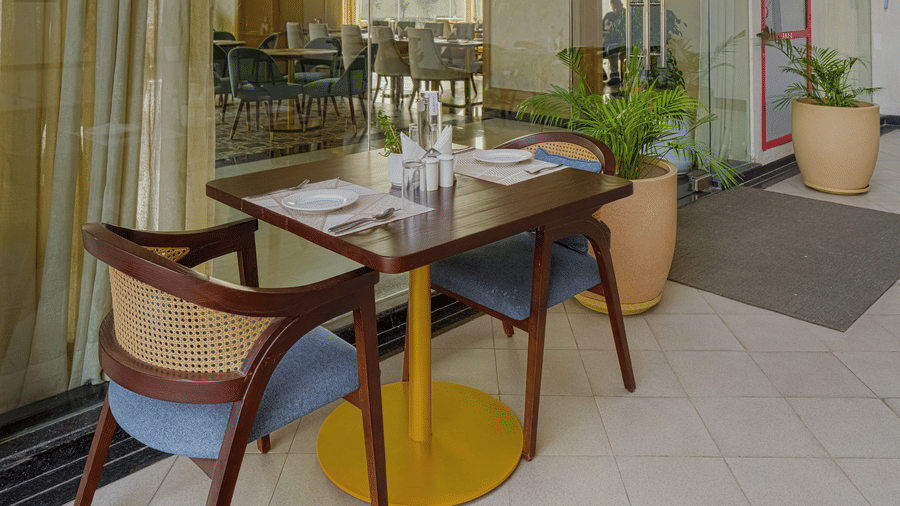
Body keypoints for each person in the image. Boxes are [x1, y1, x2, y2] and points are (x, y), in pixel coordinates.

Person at [603, 0, 625, 85]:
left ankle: (614, 74)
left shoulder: (625, 14)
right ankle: (604, 72)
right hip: (608, 39)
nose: (616, 9)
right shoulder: (609, 15)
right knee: (599, 46)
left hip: (621, 40)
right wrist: (606, 25)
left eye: (617, 7)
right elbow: (601, 28)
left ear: (621, 5)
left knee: (611, 47)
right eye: (614, 7)